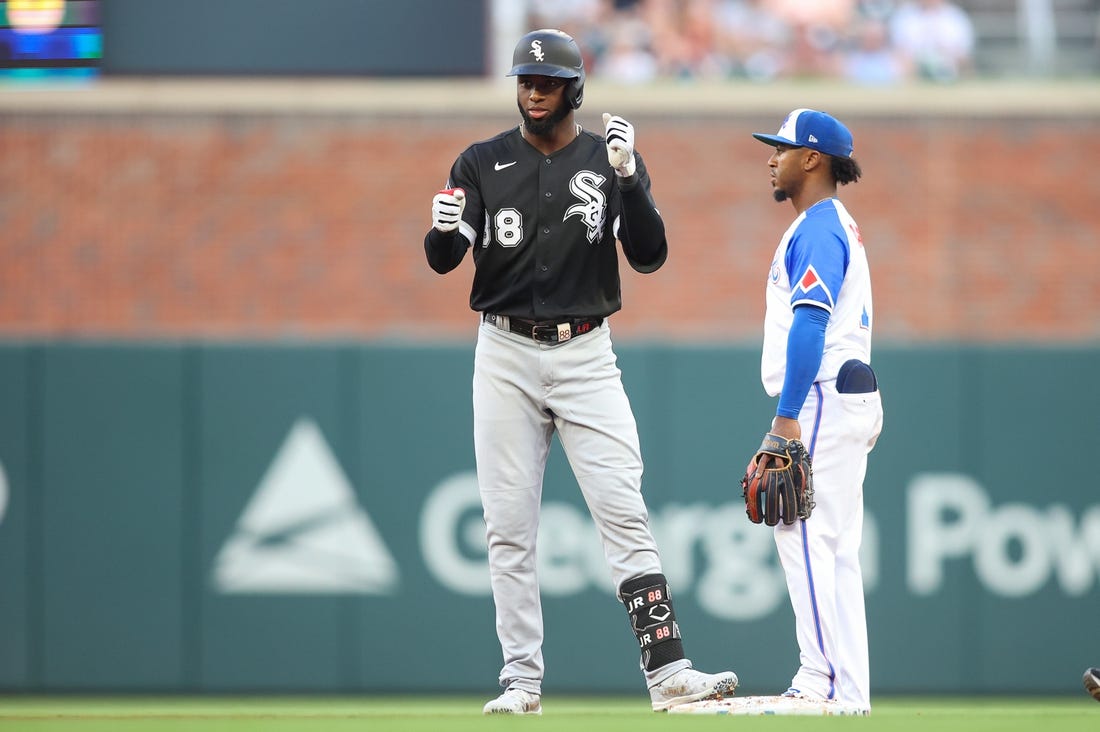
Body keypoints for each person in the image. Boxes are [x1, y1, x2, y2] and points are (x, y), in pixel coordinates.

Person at [424, 28, 738, 715]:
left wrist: (630, 179)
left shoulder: (606, 158)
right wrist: (443, 229)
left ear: (575, 89)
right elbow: (444, 258)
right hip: (504, 350)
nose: (534, 93)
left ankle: (668, 671)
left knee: (623, 508)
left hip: (586, 350)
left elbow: (650, 254)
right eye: (526, 82)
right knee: (508, 523)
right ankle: (521, 681)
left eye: (548, 83)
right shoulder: (482, 161)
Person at [747, 109, 883, 713]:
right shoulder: (831, 225)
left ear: (812, 159)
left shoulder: (820, 227)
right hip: (846, 391)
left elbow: (811, 320)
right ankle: (848, 693)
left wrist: (786, 415)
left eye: (781, 148)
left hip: (825, 390)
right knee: (835, 547)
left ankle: (818, 681)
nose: (771, 158)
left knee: (800, 530)